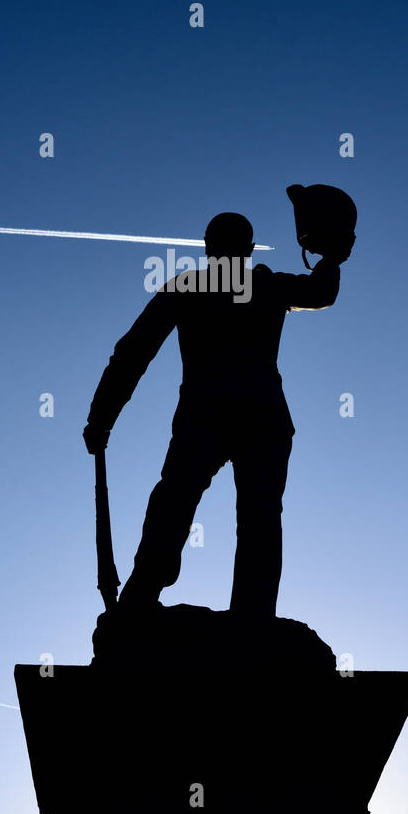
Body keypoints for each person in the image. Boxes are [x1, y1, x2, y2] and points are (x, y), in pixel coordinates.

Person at [83, 210, 353, 618]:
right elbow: (321, 291)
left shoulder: (190, 286)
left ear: (209, 248)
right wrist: (329, 255)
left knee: (177, 502)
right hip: (256, 417)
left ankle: (143, 597)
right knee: (252, 517)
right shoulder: (263, 284)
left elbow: (132, 354)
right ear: (246, 250)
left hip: (209, 416)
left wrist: (102, 415)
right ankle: (249, 615)